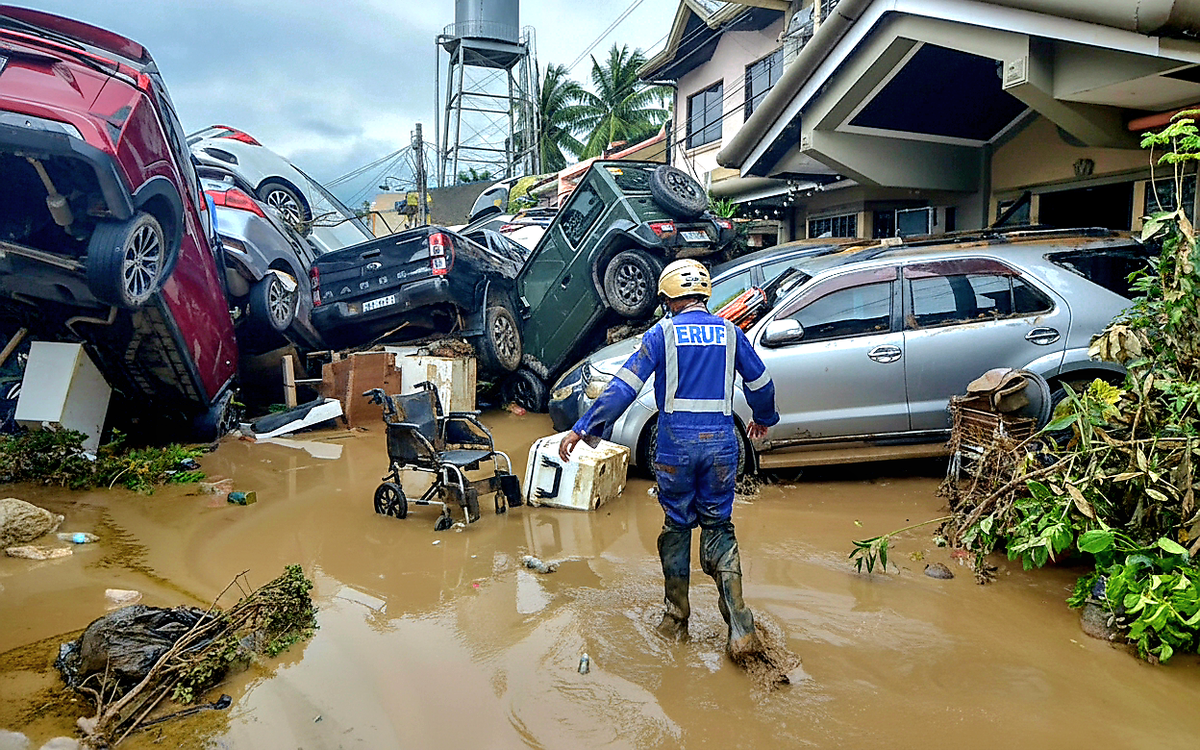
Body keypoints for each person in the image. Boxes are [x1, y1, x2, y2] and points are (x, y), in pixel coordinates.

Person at [558, 259, 779, 658]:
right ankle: (740, 629)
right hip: (721, 448)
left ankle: (675, 621)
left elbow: (624, 386)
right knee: (720, 528)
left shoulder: (662, 334)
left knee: (676, 527)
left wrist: (585, 427)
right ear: (704, 295)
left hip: (676, 448)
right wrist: (764, 418)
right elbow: (761, 382)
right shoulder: (731, 333)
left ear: (668, 298)